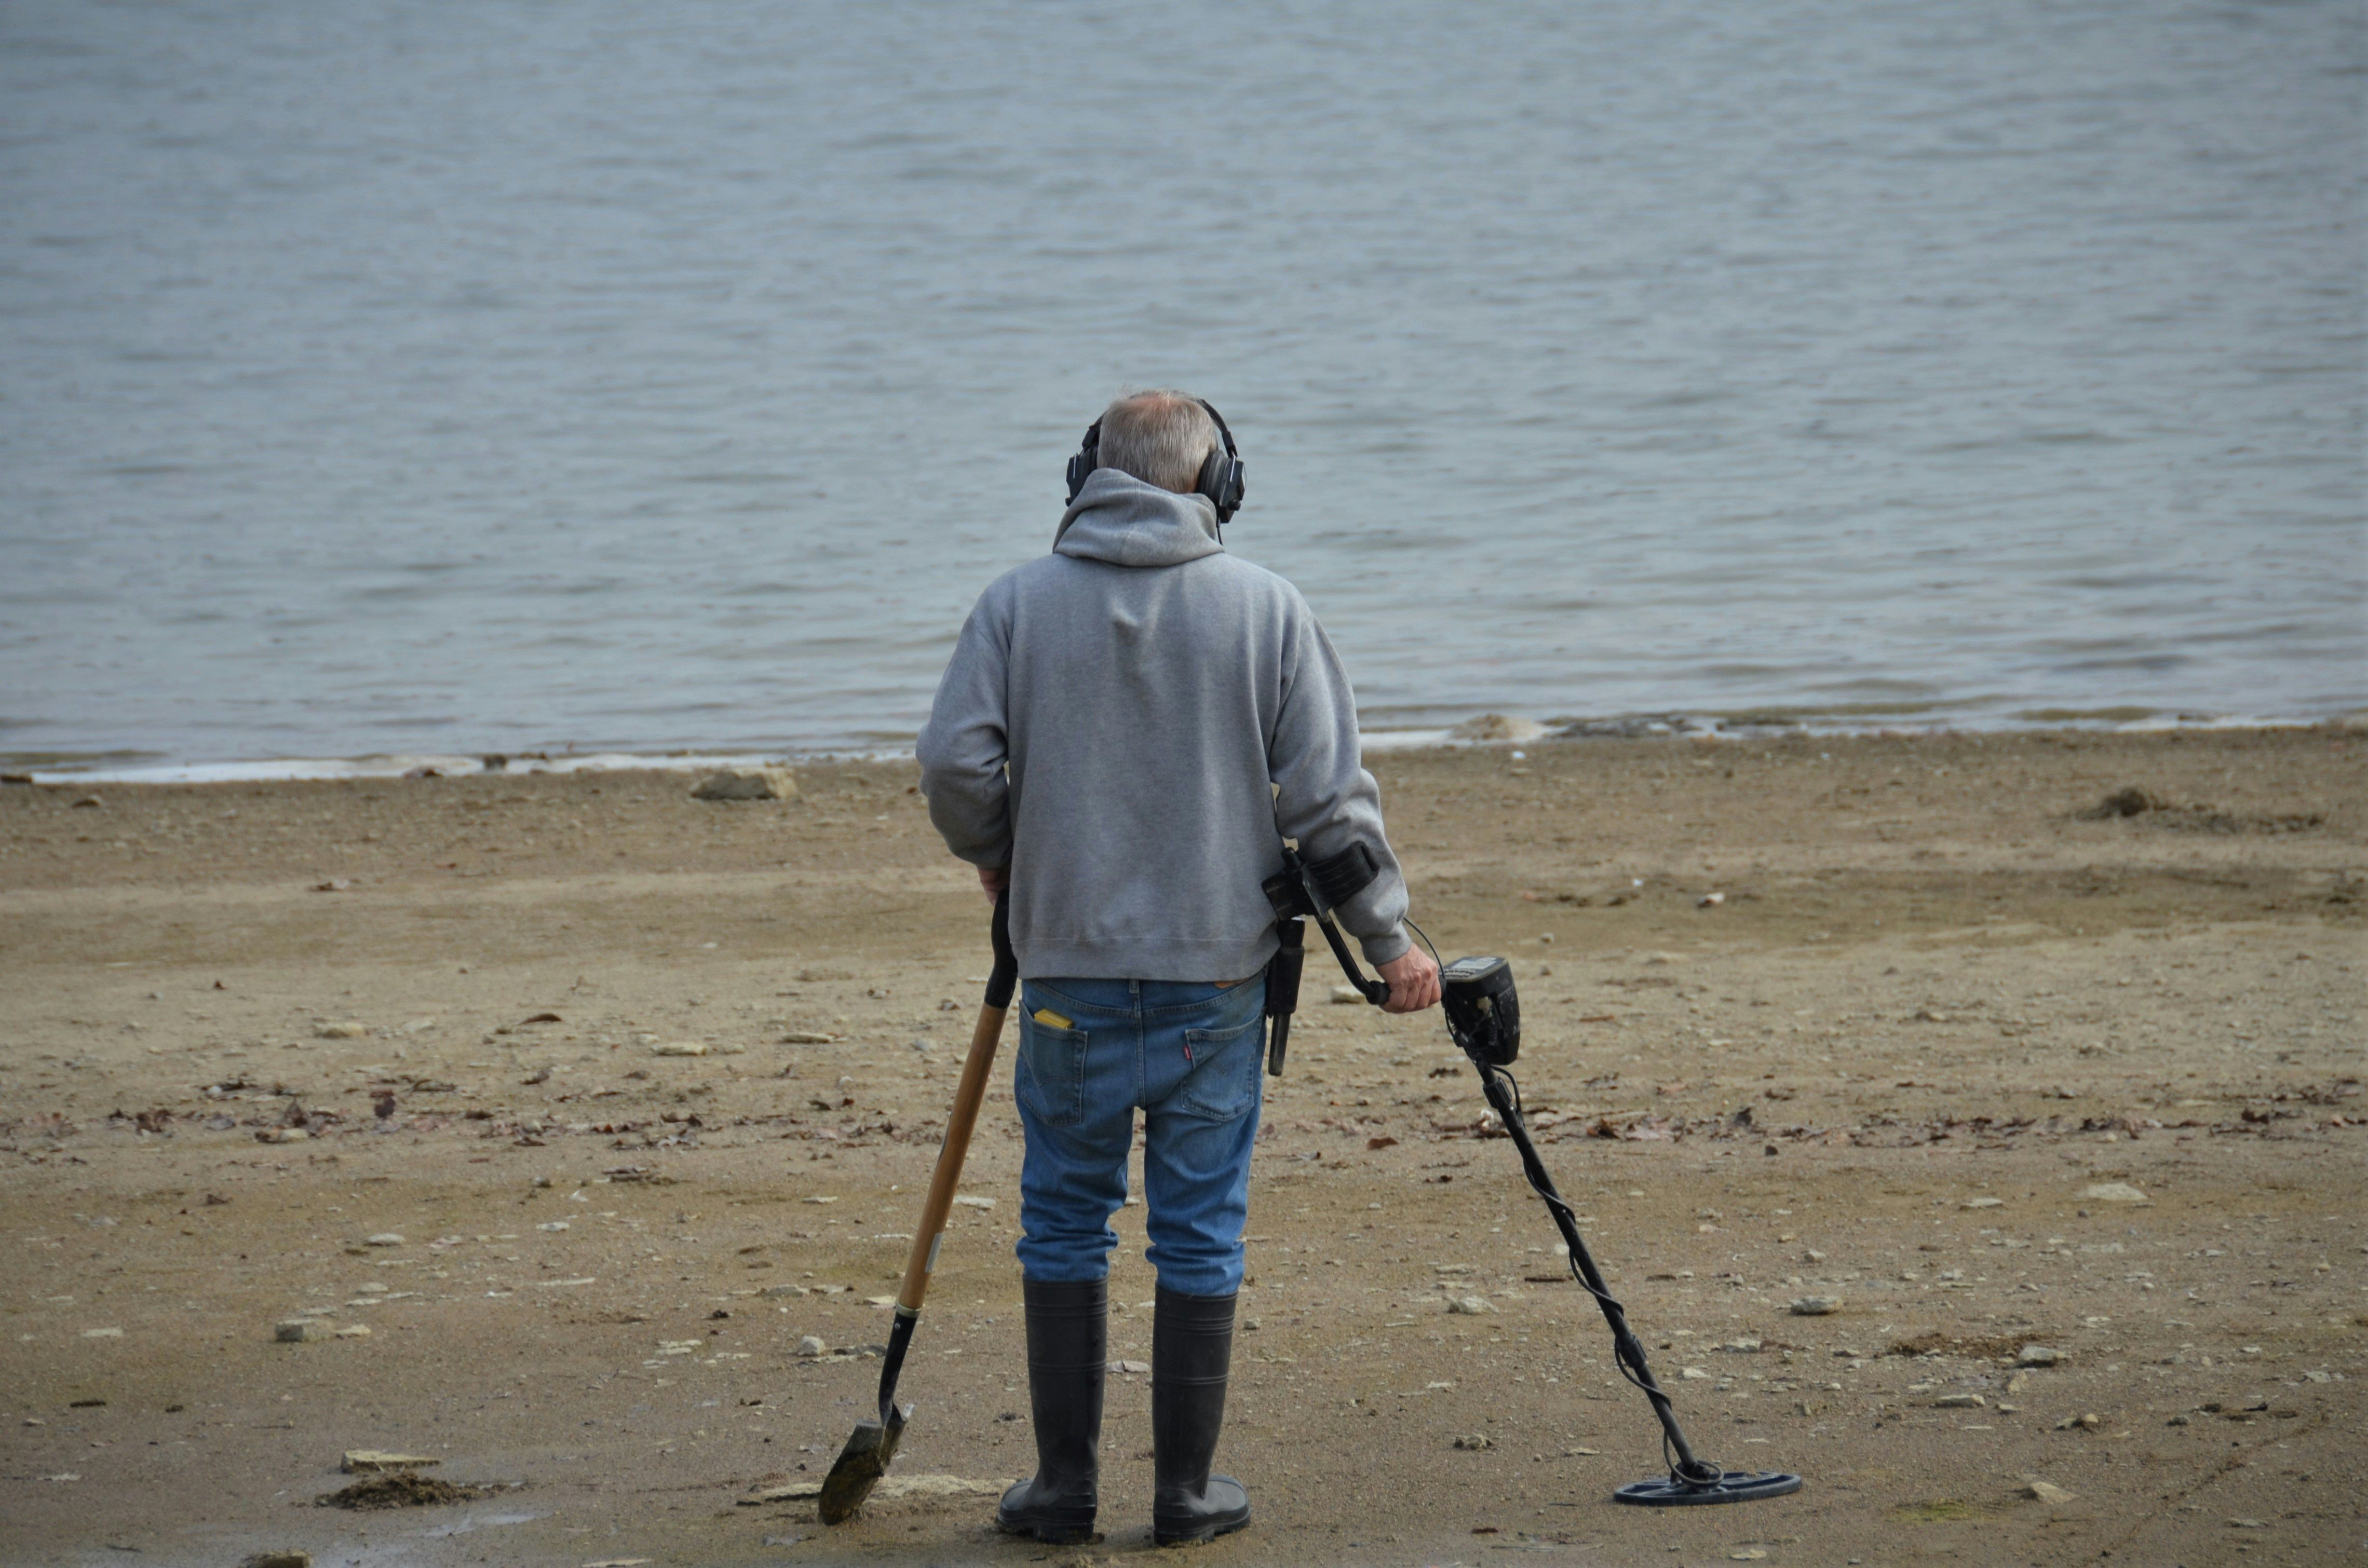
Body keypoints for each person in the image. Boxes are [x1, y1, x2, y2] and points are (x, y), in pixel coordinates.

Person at [916, 390, 1439, 1546]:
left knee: (1063, 1222)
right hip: (1216, 983)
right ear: (1219, 487)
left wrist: (1006, 858)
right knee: (1198, 1230)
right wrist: (1392, 943)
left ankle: (1062, 1490)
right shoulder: (1267, 607)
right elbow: (1329, 809)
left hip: (1067, 978)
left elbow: (953, 765)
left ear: (1083, 478)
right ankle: (1183, 1495)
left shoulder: (1016, 603)